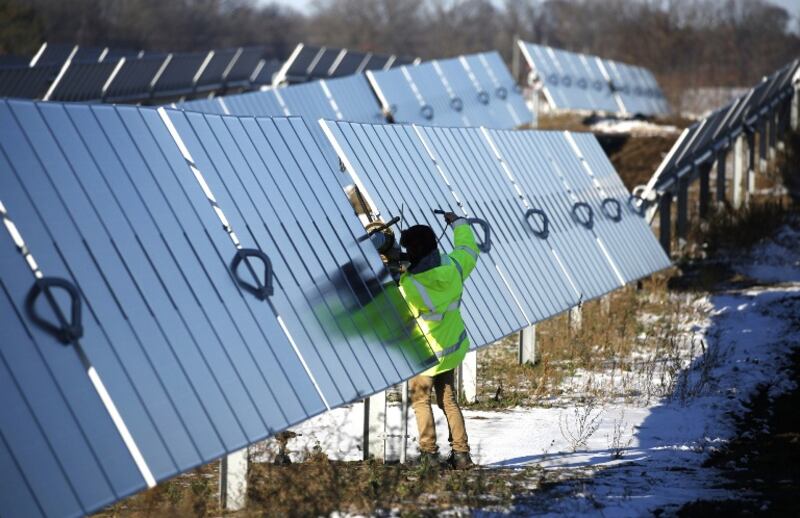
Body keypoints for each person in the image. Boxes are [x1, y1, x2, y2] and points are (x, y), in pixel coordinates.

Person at [398, 211, 480, 470]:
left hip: (425, 355)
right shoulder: (454, 268)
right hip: (452, 347)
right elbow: (468, 248)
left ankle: (429, 454)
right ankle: (462, 454)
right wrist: (458, 223)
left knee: (421, 401)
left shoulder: (409, 285)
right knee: (448, 400)